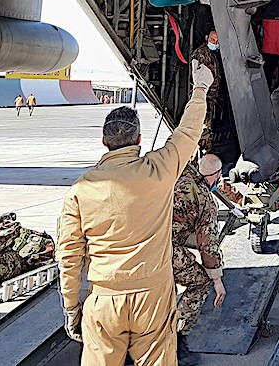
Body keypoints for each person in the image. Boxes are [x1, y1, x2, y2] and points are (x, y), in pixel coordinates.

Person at [56, 59, 212, 366]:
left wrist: (72, 306)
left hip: (104, 301)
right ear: (138, 140)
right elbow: (189, 131)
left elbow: (68, 257)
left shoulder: (80, 190)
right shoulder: (159, 169)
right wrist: (201, 87)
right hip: (153, 296)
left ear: (104, 142)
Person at [172, 155, 226, 365]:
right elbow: (208, 245)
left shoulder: (177, 173)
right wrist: (217, 279)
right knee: (200, 282)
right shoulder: (205, 199)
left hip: (135, 241)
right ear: (217, 175)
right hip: (164, 248)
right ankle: (177, 339)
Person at [189, 30, 221, 153]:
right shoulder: (201, 54)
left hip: (210, 98)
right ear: (207, 37)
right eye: (213, 40)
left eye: (217, 41)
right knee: (203, 129)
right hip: (204, 98)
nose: (215, 42)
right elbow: (200, 78)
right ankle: (201, 153)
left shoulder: (212, 54)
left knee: (208, 127)